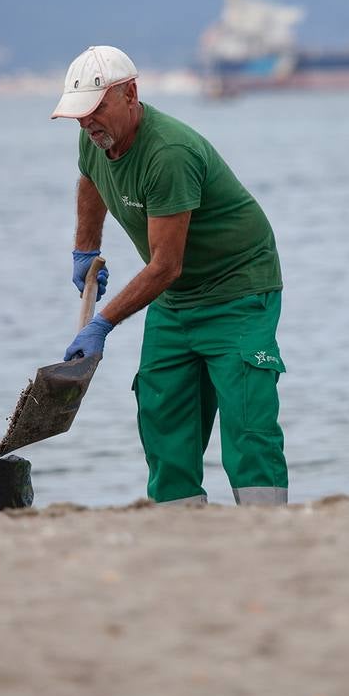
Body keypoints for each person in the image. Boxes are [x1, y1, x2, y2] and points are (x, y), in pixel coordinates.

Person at [50, 45, 288, 506]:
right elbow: (90, 180)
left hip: (237, 289)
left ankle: (266, 526)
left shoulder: (169, 153)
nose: (87, 123)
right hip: (176, 298)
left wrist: (102, 323)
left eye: (95, 109)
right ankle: (180, 528)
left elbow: (164, 266)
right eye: (79, 114)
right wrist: (85, 249)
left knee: (247, 418)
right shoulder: (93, 137)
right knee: (162, 412)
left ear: (130, 94)